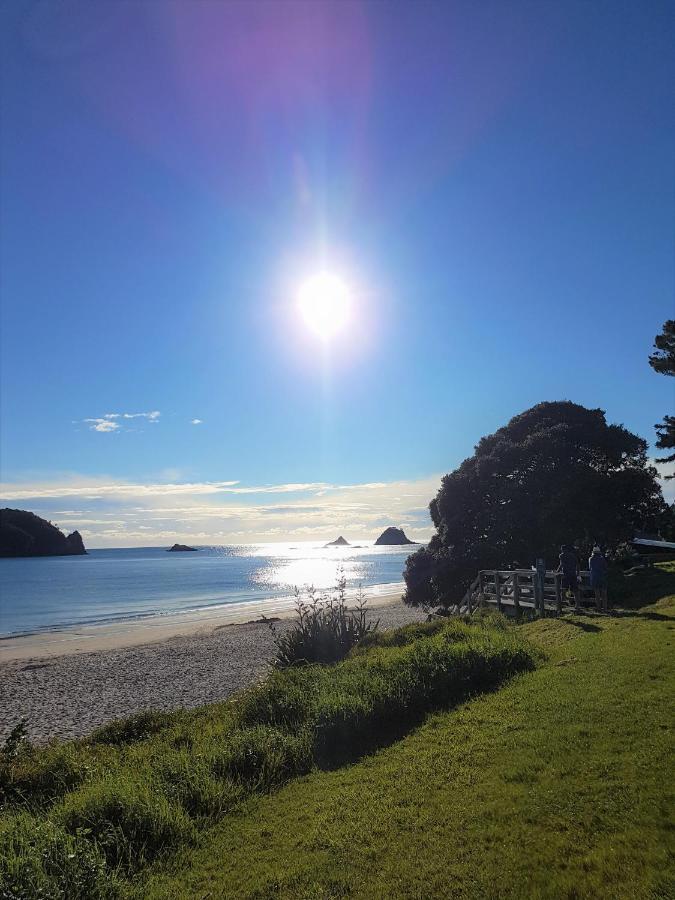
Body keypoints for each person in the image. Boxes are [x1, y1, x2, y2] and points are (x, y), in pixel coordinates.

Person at [558, 544, 581, 612]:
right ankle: (577, 605)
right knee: (575, 591)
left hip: (566, 575)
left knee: (563, 589)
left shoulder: (562, 555)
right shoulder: (573, 555)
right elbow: (578, 565)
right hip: (573, 575)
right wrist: (578, 574)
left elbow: (561, 564)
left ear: (563, 550)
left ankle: (563, 603)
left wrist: (557, 571)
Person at [589, 546, 609, 611]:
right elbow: (606, 568)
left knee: (597, 594)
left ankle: (598, 608)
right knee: (604, 594)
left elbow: (590, 568)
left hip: (595, 577)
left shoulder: (591, 559)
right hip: (602, 577)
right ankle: (605, 608)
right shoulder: (602, 559)